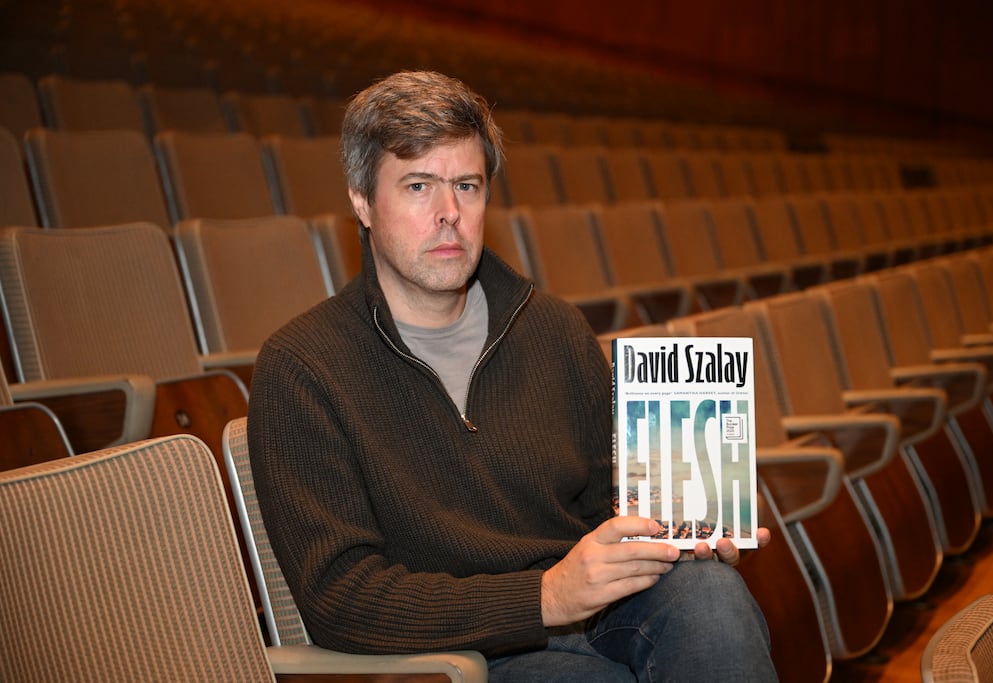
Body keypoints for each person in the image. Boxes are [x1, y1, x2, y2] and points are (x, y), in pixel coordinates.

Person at [248, 70, 777, 682]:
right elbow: (341, 600)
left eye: (467, 186)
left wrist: (687, 528)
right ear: (362, 202)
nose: (449, 213)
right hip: (460, 656)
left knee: (713, 597)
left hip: (595, 608)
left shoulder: (555, 329)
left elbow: (609, 505)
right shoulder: (302, 367)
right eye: (418, 186)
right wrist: (543, 598)